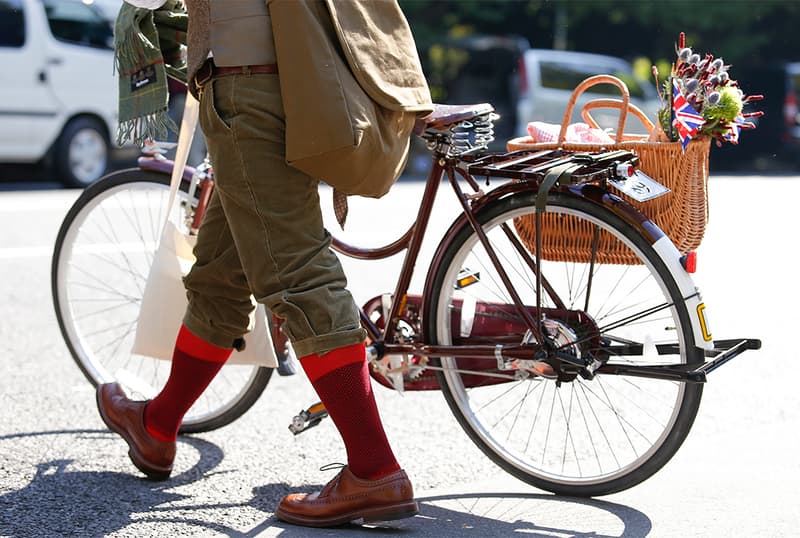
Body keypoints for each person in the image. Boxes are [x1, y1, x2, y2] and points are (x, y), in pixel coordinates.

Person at [96, 0, 432, 528]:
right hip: (295, 77)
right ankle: (157, 427)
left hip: (246, 88)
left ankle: (374, 469)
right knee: (220, 277)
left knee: (297, 275)